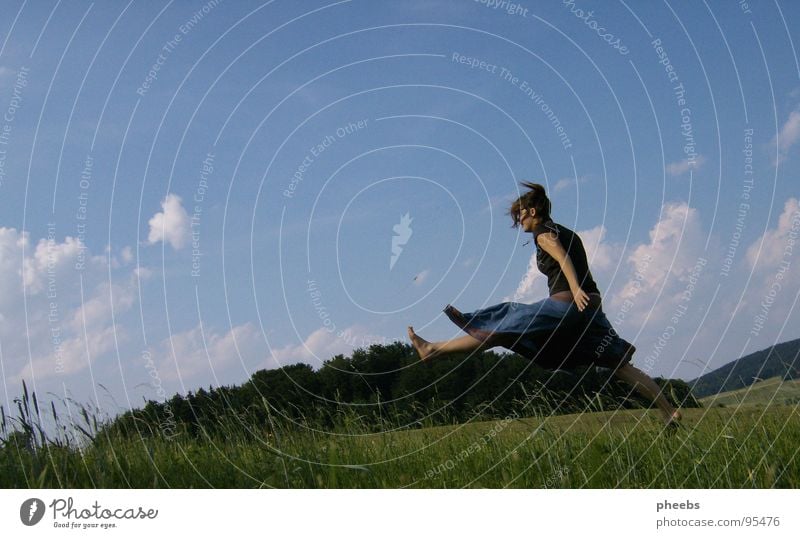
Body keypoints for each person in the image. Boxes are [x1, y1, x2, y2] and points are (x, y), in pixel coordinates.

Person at [408, 182, 682, 428]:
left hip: (568, 305)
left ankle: (433, 349)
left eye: (521, 215)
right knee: (618, 365)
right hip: (592, 309)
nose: (520, 222)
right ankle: (668, 411)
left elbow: (562, 258)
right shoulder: (568, 232)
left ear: (533, 211)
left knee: (506, 320)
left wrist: (574, 289)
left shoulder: (542, 232)